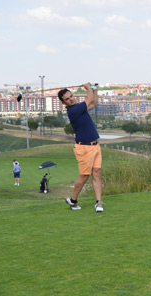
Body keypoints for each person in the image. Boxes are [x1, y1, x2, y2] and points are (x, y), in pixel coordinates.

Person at [58, 83, 104, 213]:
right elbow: (88, 100)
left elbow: (93, 103)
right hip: (84, 148)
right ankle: (73, 200)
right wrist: (88, 88)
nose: (71, 99)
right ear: (63, 103)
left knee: (97, 173)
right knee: (84, 177)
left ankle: (99, 202)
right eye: (67, 99)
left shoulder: (79, 108)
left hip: (95, 146)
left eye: (71, 96)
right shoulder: (73, 110)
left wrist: (94, 90)